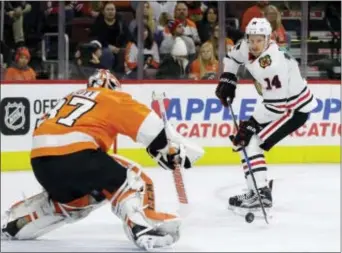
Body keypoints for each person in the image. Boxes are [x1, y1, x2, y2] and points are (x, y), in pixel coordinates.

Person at [1, 69, 204, 250]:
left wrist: (159, 149)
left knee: (77, 202)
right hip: (77, 155)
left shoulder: (69, 98)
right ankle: (141, 227)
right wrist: (168, 151)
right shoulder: (111, 97)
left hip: (41, 162)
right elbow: (152, 129)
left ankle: (18, 223)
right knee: (130, 178)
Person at [215, 18, 316, 210]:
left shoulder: (272, 64)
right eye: (251, 39)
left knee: (251, 141)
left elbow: (276, 106)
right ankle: (256, 191)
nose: (254, 45)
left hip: (293, 109)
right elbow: (233, 57)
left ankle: (261, 193)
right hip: (280, 105)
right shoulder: (246, 46)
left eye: (259, 40)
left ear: (268, 39)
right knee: (244, 143)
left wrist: (251, 124)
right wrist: (228, 78)